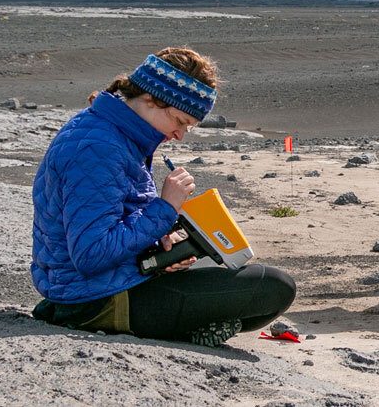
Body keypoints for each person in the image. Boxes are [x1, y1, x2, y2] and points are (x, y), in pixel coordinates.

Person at [30, 47, 296, 347]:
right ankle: (180, 328)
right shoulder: (98, 148)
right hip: (95, 299)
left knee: (256, 284)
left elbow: (114, 222)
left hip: (107, 285)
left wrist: (160, 248)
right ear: (151, 99)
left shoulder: (117, 134)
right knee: (273, 288)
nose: (180, 134)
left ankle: (191, 325)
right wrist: (165, 207)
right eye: (180, 121)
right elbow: (91, 254)